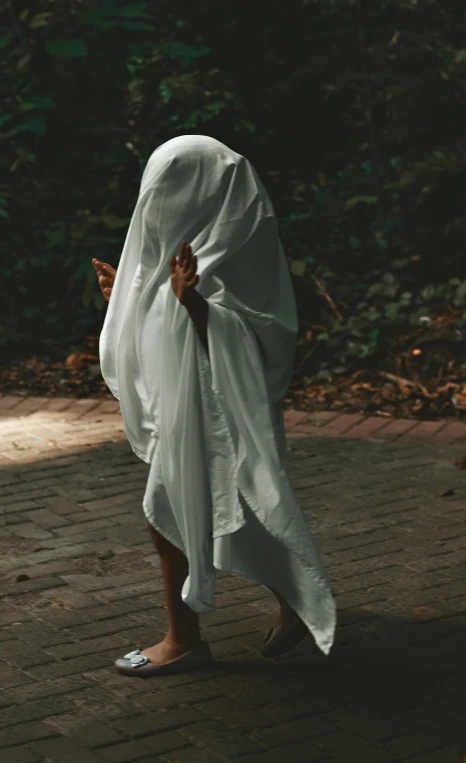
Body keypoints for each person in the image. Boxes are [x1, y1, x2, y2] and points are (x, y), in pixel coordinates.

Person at [94, 135, 336, 677]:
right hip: (179, 406)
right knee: (207, 513)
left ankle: (184, 640)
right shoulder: (173, 248)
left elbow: (260, 333)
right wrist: (124, 301)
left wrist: (196, 304)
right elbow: (158, 310)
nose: (156, 205)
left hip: (218, 411)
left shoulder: (239, 240)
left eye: (170, 190)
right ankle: (283, 604)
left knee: (201, 511)